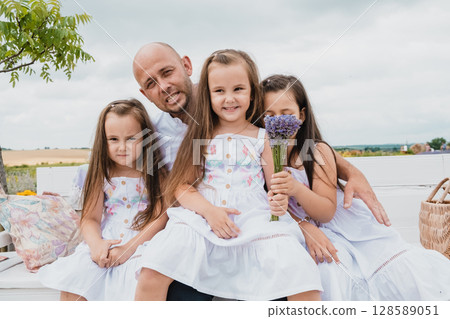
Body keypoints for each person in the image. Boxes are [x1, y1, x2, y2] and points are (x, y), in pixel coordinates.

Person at [132, 42, 391, 227]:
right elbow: (161, 187)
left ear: (186, 65)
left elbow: (295, 140)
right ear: (144, 94)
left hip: (262, 214)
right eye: (151, 83)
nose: (164, 86)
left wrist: (350, 171)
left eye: (167, 73)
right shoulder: (151, 135)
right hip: (204, 221)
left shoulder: (236, 105)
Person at [134, 50, 323, 301]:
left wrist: (279, 200)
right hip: (203, 217)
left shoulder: (263, 137)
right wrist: (209, 212)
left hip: (253, 215)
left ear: (252, 93)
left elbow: (275, 186)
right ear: (208, 95)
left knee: (300, 273)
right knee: (153, 270)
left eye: (238, 89)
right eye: (219, 91)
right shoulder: (200, 136)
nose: (229, 99)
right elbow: (180, 187)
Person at [263, 74, 450, 300]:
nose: (279, 122)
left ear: (301, 115)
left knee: (394, 269)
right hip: (302, 232)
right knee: (328, 270)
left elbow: (326, 212)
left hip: (340, 226)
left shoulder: (316, 151)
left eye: (286, 114)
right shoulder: (266, 154)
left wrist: (296, 188)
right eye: (270, 116)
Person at [38, 99, 168, 300]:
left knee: (139, 276)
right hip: (107, 238)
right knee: (77, 278)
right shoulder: (100, 173)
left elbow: (160, 217)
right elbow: (90, 219)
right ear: (103, 141)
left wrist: (128, 248)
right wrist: (96, 244)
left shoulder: (155, 172)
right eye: (113, 139)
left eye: (131, 138)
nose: (122, 147)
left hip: (143, 240)